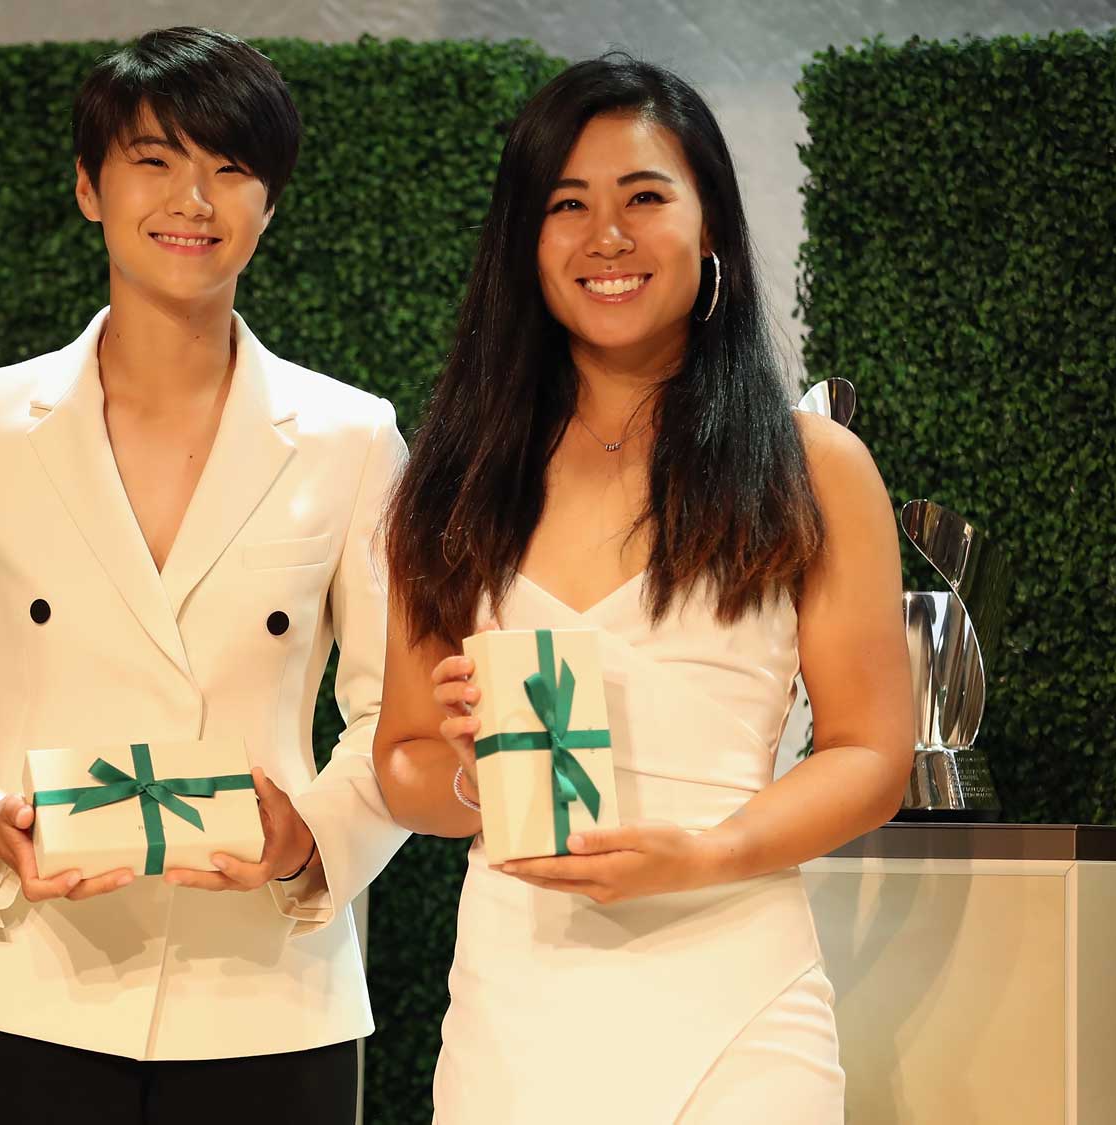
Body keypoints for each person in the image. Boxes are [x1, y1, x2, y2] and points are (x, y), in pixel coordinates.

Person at [0, 26, 407, 1124]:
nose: (191, 198)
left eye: (230, 167)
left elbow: (393, 712)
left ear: (269, 202)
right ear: (87, 187)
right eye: (154, 160)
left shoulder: (351, 437)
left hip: (267, 996)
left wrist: (309, 834)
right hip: (27, 981)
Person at [372, 55, 913, 1123]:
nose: (604, 237)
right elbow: (400, 764)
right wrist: (472, 776)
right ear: (523, 242)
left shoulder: (810, 465)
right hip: (513, 1014)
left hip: (737, 1004)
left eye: (643, 198)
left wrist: (708, 852)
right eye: (565, 205)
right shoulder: (451, 473)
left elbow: (868, 755)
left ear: (707, 224)